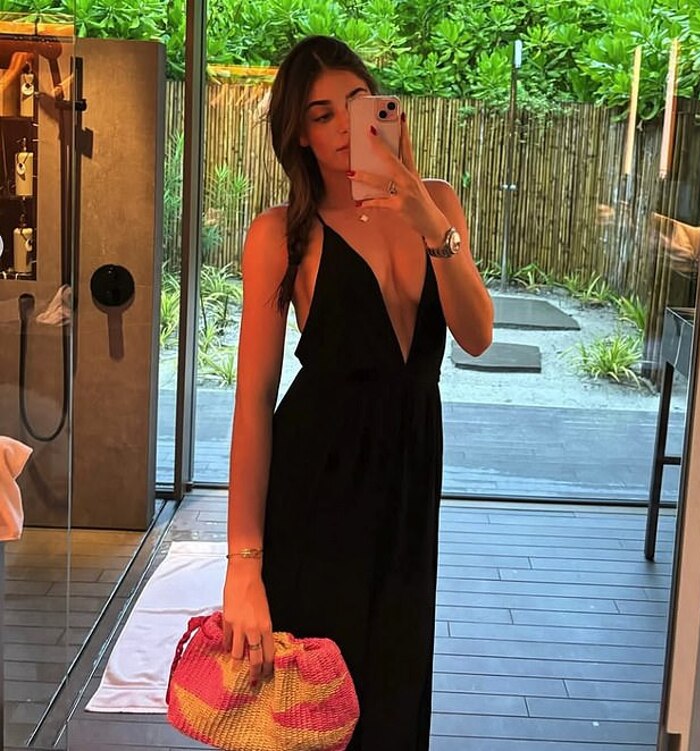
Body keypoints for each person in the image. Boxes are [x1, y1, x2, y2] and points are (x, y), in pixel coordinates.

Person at [222, 35, 493, 750]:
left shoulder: (438, 203)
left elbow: (476, 335)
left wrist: (425, 216)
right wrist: (243, 564)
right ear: (299, 136)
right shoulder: (282, 234)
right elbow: (252, 402)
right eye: (321, 116)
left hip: (409, 482)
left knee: (394, 690)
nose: (345, 128)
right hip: (317, 486)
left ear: (384, 108)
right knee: (310, 710)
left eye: (356, 104)